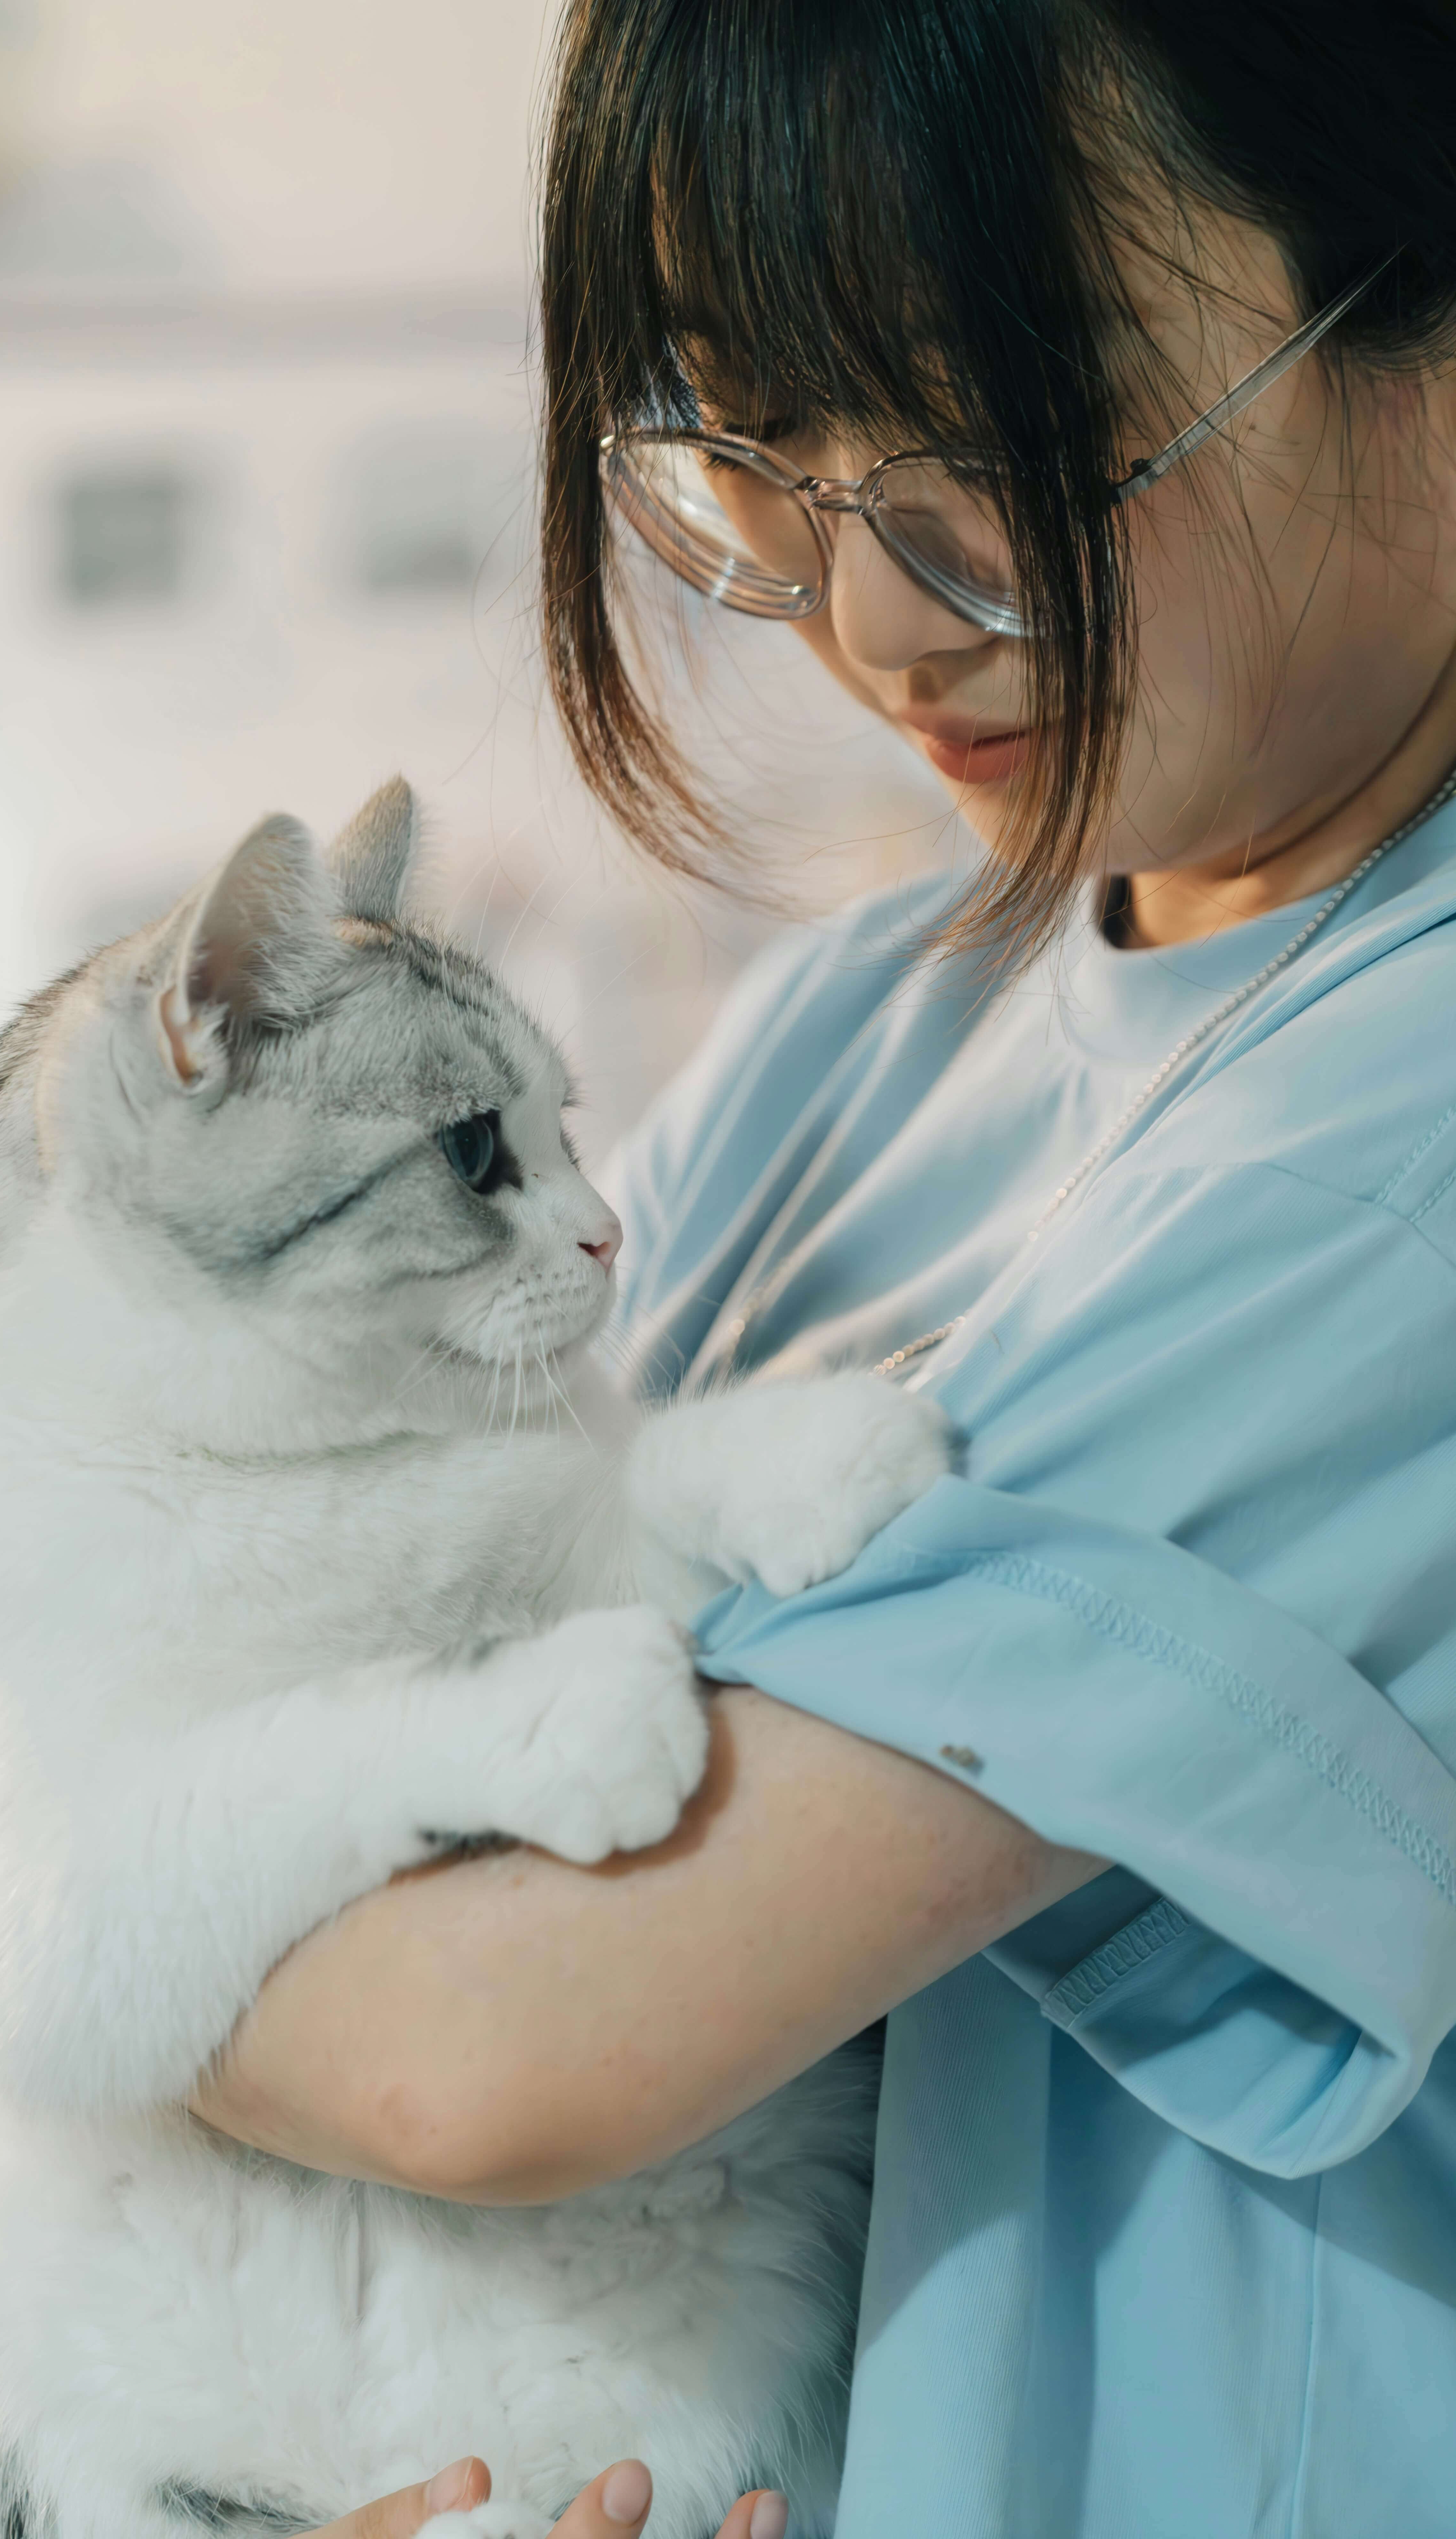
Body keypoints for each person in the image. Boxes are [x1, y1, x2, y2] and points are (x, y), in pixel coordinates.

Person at [191, 4, 1456, 2531]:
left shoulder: (1391, 1126)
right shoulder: (876, 1025)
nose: (872, 624)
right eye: (750, 442)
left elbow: (493, 2043)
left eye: (996, 437)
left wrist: (111, 1929)